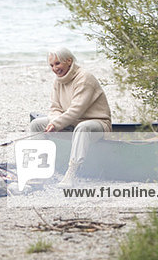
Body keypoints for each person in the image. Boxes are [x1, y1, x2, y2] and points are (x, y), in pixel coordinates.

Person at [30, 47, 111, 187]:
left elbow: (76, 110)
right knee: (36, 124)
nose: (55, 68)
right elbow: (55, 108)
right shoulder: (57, 82)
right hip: (70, 124)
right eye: (51, 65)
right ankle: (39, 172)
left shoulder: (85, 78)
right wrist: (55, 122)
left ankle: (72, 173)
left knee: (82, 127)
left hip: (97, 126)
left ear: (69, 61)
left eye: (57, 64)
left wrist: (57, 124)